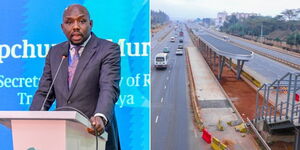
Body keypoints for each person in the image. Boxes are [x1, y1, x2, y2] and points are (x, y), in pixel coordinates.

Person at [30, 4, 121, 150]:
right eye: (69, 22)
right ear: (62, 27)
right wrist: (31, 120)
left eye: (82, 21)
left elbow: (109, 87)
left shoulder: (108, 49)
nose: (76, 26)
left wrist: (101, 116)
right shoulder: (55, 52)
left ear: (91, 24)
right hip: (62, 137)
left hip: (95, 135)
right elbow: (44, 92)